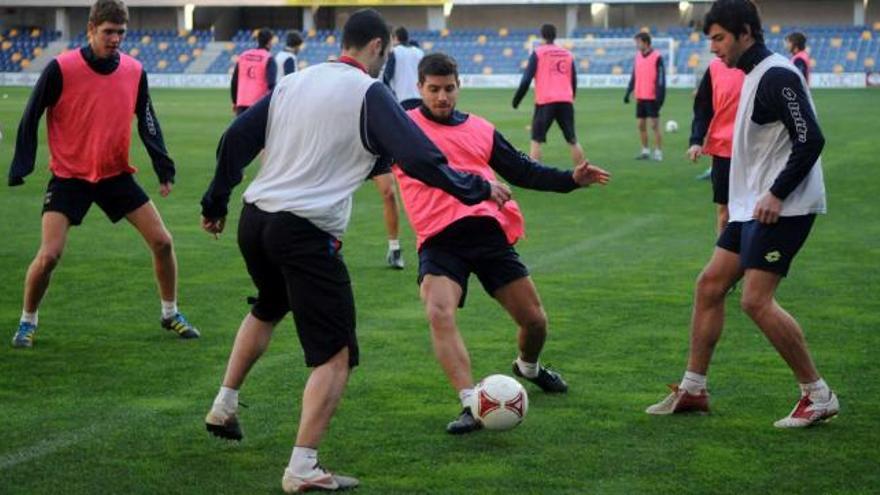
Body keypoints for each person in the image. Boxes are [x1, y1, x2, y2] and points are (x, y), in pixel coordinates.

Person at [199, 10, 510, 492]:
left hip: (254, 219)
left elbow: (236, 138)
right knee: (336, 354)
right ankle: (302, 467)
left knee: (269, 305)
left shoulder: (296, 82)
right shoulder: (369, 91)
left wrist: (215, 200)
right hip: (302, 231)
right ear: (379, 48)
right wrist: (476, 187)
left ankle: (224, 403)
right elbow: (419, 157)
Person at [394, 53, 611, 434]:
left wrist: (571, 179)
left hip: (487, 231)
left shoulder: (480, 129)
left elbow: (523, 170)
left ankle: (528, 366)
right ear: (419, 89)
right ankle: (470, 403)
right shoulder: (402, 130)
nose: (442, 97)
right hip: (439, 240)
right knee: (438, 310)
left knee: (535, 321)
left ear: (459, 87)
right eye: (433, 90)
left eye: (448, 89)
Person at [646, 0, 838, 428]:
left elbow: (811, 139)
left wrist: (775, 193)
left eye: (719, 38)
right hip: (750, 206)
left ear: (745, 33)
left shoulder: (777, 76)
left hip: (782, 208)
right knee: (710, 285)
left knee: (755, 300)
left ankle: (818, 394)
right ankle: (693, 390)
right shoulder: (752, 74)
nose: (713, 48)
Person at [7, 0, 199, 348]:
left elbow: (148, 119)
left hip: (115, 175)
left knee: (163, 241)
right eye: (108, 32)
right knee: (49, 255)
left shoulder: (134, 70)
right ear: (91, 30)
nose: (115, 39)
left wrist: (163, 166)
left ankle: (170, 313)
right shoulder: (61, 68)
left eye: (120, 32)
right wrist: (22, 166)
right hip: (69, 177)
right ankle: (26, 321)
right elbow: (31, 113)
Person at [512, 24, 585, 167]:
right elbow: (574, 79)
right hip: (566, 101)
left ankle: (535, 175)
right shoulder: (567, 54)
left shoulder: (538, 53)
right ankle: (583, 174)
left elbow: (526, 79)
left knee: (536, 140)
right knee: (572, 140)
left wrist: (516, 100)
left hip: (546, 101)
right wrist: (571, 98)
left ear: (542, 35)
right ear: (555, 35)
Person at [687, 56, 745, 234]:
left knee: (754, 212)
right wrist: (696, 140)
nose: (713, 47)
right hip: (722, 150)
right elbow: (702, 107)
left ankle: (752, 259)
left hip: (753, 152)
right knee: (724, 213)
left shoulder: (759, 68)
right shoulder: (714, 68)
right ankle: (724, 259)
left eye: (719, 39)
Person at [624, 32, 666, 161]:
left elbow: (661, 79)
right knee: (641, 125)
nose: (637, 45)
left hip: (652, 97)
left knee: (654, 125)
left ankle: (658, 152)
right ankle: (645, 151)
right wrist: (628, 91)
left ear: (646, 42)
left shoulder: (657, 57)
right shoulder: (637, 56)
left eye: (638, 42)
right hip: (640, 96)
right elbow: (634, 75)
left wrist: (660, 98)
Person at [231, 28, 276, 115]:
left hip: (242, 103)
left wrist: (234, 101)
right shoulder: (268, 58)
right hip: (259, 105)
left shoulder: (243, 56)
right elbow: (271, 84)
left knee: (242, 128)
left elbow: (234, 81)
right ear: (270, 42)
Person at [382, 26, 424, 110]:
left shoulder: (394, 52)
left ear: (396, 38)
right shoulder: (420, 52)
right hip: (421, 98)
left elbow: (387, 76)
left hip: (402, 99)